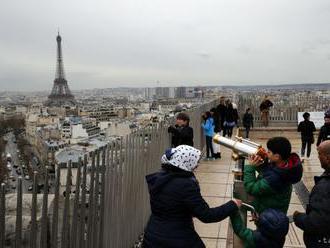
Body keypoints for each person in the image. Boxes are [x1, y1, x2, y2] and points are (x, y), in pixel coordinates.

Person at [143, 145, 242, 247]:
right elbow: (207, 215)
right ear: (186, 162)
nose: (197, 165)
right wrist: (232, 205)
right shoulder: (186, 185)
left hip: (152, 236)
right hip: (176, 239)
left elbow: (171, 205)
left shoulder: (160, 178)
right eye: (195, 162)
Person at [244, 137, 303, 214]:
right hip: (273, 211)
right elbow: (268, 171)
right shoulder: (284, 165)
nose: (267, 153)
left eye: (269, 152)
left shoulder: (276, 178)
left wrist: (250, 167)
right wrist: (261, 162)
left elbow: (251, 188)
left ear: (277, 156)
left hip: (270, 218)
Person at [293, 140, 330, 248]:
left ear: (327, 158)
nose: (318, 157)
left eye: (319, 154)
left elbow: (316, 223)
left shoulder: (324, 188)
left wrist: (298, 217)